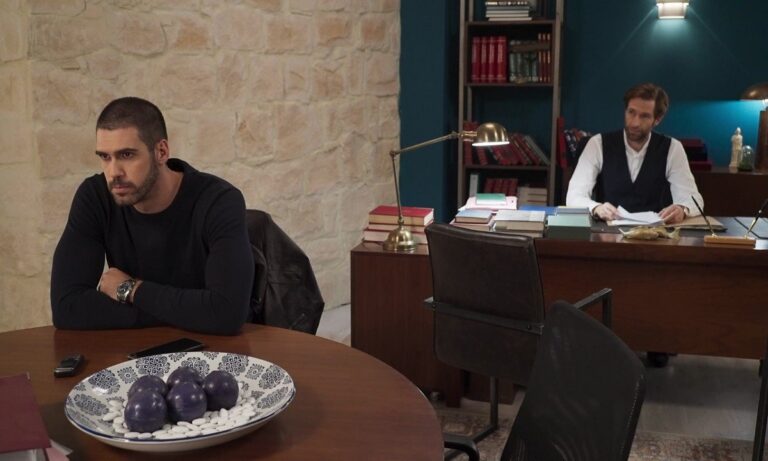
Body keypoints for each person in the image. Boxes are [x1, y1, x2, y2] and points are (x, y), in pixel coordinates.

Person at [50, 97, 254, 335]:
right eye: (105, 157)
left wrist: (129, 289)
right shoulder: (95, 197)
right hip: (134, 350)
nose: (113, 172)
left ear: (161, 152)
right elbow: (67, 308)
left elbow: (226, 314)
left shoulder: (218, 201)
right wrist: (186, 313)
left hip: (211, 349)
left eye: (127, 155)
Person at [566, 82, 704, 224]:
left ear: (657, 119)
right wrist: (596, 208)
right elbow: (574, 196)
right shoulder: (597, 144)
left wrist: (682, 209)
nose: (635, 123)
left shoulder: (672, 148)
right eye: (631, 112)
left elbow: (694, 199)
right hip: (607, 232)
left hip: (656, 233)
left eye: (644, 116)